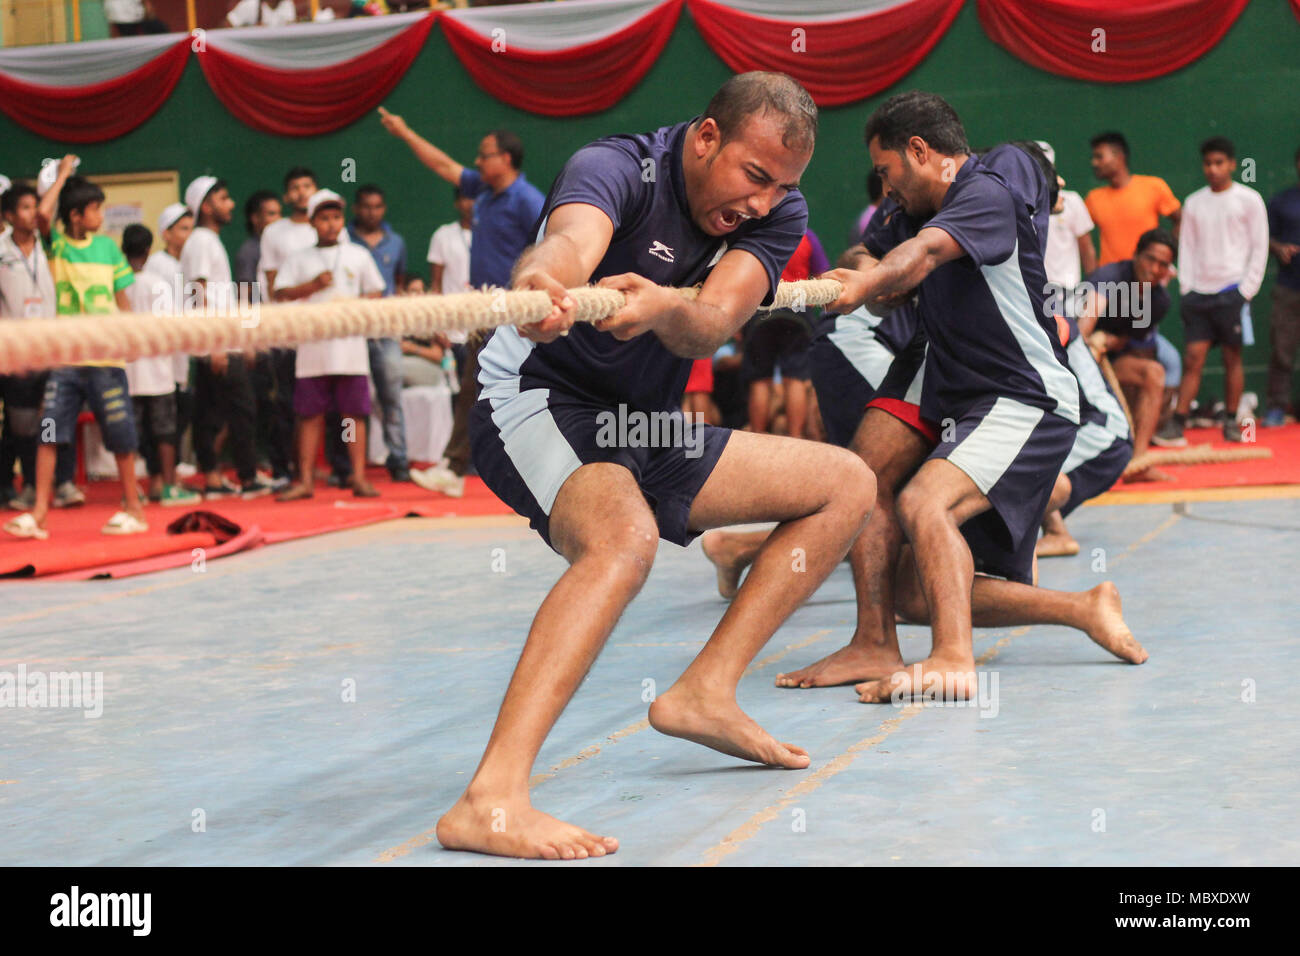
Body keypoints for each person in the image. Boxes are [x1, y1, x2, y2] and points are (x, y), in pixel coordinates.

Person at [434, 72, 877, 861]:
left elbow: (712, 323)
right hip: (541, 394)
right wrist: (542, 282)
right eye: (754, 176)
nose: (765, 203)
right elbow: (570, 241)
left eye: (782, 187)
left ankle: (705, 690)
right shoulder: (615, 167)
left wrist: (670, 305)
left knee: (847, 484)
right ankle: (490, 798)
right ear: (707, 137)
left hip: (643, 422)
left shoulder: (778, 215)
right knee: (622, 541)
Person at [379, 107, 545, 498]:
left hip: (514, 313)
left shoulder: (527, 201)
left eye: (484, 154)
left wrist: (529, 300)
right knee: (480, 388)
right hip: (484, 313)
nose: (476, 161)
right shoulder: (481, 189)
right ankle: (467, 468)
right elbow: (441, 164)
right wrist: (404, 131)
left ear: (505, 159)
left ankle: (457, 468)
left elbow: (553, 246)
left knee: (483, 388)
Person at [3, 162, 147, 540]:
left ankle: (133, 507)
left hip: (105, 362)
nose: (102, 214)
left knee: (120, 434)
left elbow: (122, 300)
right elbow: (45, 215)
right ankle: (39, 514)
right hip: (65, 364)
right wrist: (63, 176)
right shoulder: (58, 247)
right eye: (96, 209)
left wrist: (132, 337)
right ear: (77, 216)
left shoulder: (109, 250)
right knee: (48, 432)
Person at [274, 190, 386, 501]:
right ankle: (306, 480)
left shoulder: (358, 255)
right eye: (323, 218)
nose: (331, 223)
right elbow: (280, 293)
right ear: (311, 222)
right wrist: (311, 286)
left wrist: (352, 306)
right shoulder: (299, 258)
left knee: (354, 414)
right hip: (313, 348)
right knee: (309, 415)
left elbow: (376, 292)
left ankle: (359, 477)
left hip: (350, 348)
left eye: (336, 217)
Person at [1164, 137, 1269, 444]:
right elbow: (1187, 248)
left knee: (1231, 358)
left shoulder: (1249, 199)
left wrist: (1246, 290)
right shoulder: (1194, 202)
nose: (1213, 169)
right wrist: (1187, 289)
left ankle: (1231, 421)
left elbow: (1259, 247)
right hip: (1198, 295)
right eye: (1208, 164)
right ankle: (1178, 421)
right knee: (1194, 357)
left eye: (1219, 163)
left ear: (1232, 164)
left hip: (1232, 292)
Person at [180, 175, 271, 499]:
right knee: (241, 409)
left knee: (209, 412)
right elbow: (198, 292)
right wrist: (216, 345)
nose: (230, 203)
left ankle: (215, 480)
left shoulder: (206, 240)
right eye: (223, 197)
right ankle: (247, 478)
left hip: (218, 340)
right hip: (216, 342)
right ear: (206, 206)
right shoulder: (202, 240)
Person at [1079, 230, 1176, 473]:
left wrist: (1110, 342)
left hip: (1110, 362)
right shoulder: (1109, 277)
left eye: (1162, 264)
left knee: (1154, 373)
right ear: (1136, 255)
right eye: (1150, 259)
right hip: (1077, 360)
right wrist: (1095, 343)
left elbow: (1127, 342)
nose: (1154, 268)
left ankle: (1138, 463)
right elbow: (1082, 330)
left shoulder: (1159, 301)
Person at [121, 224, 201, 506]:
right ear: (148, 249)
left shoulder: (116, 284)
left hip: (128, 374)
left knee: (131, 434)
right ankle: (167, 486)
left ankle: (134, 490)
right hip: (158, 374)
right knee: (165, 433)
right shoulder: (157, 284)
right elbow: (171, 328)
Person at [347, 184, 410, 482]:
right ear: (356, 208)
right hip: (351, 332)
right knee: (350, 401)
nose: (372, 212)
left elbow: (396, 282)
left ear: (383, 208)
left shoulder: (396, 242)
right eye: (366, 206)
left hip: (385, 331)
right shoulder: (344, 241)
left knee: (391, 395)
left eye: (377, 206)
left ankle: (398, 460)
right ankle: (346, 465)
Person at [0, 180, 57, 509]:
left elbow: (46, 214)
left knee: (49, 420)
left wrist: (60, 175)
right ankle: (30, 485)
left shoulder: (48, 243)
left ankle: (53, 484)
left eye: (35, 206)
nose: (33, 212)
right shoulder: (1, 250)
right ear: (8, 215)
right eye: (24, 207)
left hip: (50, 349)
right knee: (21, 425)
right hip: (16, 353)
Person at [742, 229, 829, 438]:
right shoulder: (807, 236)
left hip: (760, 309)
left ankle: (757, 437)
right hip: (798, 310)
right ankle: (795, 437)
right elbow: (822, 276)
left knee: (760, 379)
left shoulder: (755, 233)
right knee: (795, 378)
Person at [1085, 131, 1182, 266]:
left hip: (1147, 277)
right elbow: (1082, 236)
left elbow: (1179, 219)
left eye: (1099, 157)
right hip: (1109, 281)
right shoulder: (1093, 198)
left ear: (1119, 157)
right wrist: (1093, 273)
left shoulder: (1154, 186)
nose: (1094, 163)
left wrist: (1165, 258)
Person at [1264, 146, 1300, 426]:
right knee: (1282, 349)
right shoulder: (1281, 202)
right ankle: (1276, 407)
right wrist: (1279, 248)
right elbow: (1263, 237)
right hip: (1288, 287)